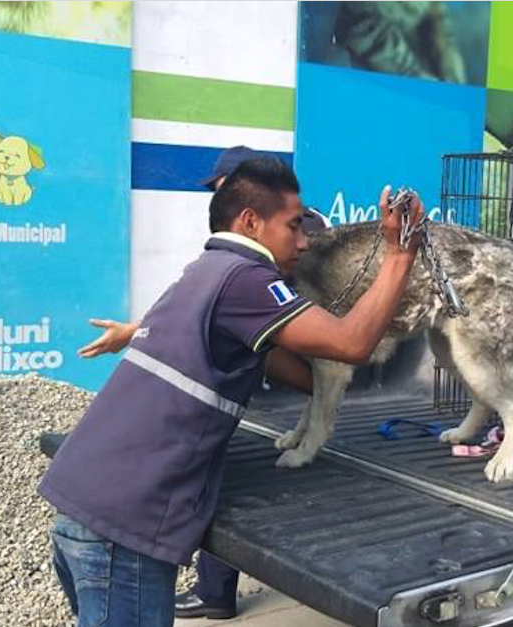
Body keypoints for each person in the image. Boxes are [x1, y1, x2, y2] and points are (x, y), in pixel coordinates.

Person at [39, 156, 424, 627]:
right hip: (124, 528)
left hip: (88, 504)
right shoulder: (247, 279)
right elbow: (351, 343)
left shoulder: (207, 270)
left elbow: (303, 375)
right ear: (250, 222)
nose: (304, 242)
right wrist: (399, 254)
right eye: (293, 227)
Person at [76, 146, 325, 620]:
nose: (215, 197)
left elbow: (335, 342)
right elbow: (199, 308)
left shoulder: (288, 240)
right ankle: (215, 590)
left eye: (221, 187)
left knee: (212, 464)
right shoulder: (230, 255)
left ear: (246, 200)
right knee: (211, 469)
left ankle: (214, 589)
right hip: (251, 364)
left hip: (278, 358)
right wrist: (133, 332)